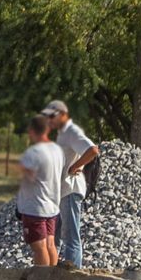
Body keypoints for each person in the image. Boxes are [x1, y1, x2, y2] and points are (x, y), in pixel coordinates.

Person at [42, 100, 99, 268]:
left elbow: (93, 150)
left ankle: (72, 274)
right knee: (55, 235)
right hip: (62, 191)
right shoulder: (62, 135)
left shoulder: (71, 132)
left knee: (71, 236)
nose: (49, 120)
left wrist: (75, 166)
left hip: (70, 190)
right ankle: (52, 272)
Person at [17, 115, 64, 268]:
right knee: (51, 244)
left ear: (31, 131)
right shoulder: (57, 150)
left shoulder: (34, 153)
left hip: (35, 206)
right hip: (52, 205)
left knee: (39, 248)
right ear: (48, 129)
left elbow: (25, 176)